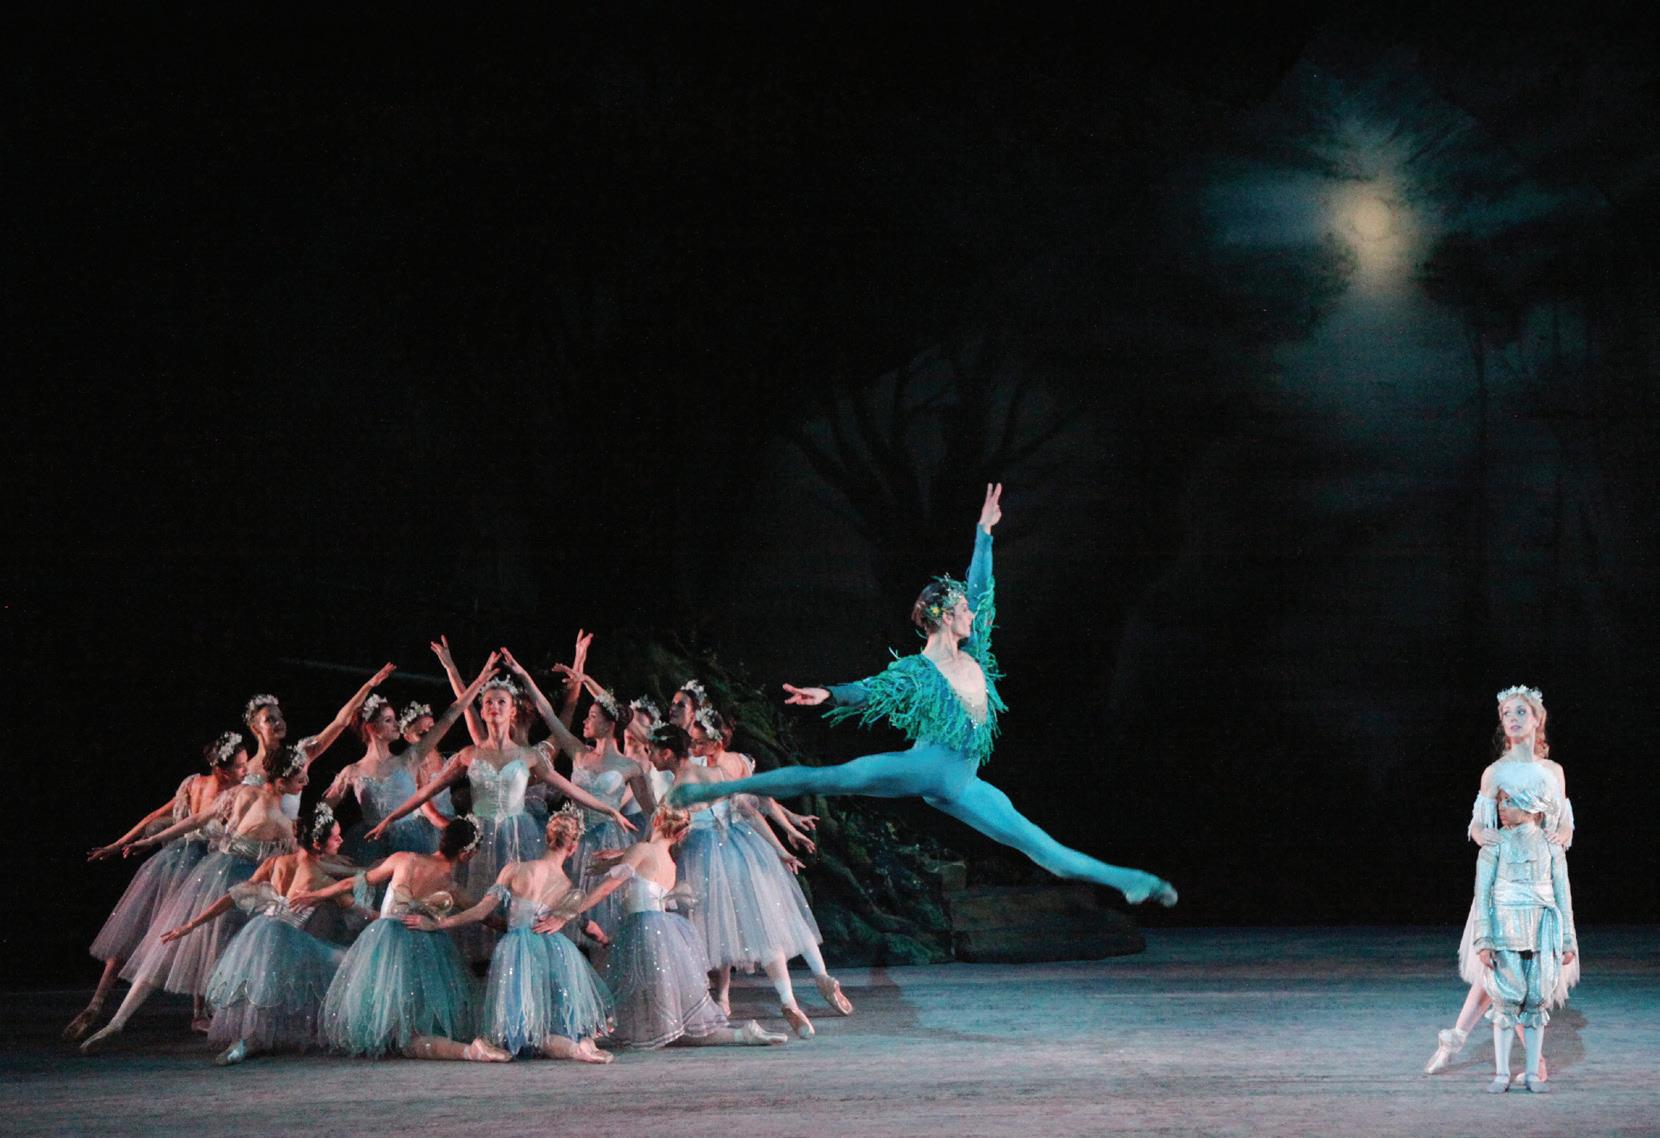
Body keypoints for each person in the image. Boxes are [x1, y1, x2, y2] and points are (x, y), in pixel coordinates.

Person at [669, 484, 1177, 907]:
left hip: (964, 783)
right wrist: (828, 693)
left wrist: (984, 535)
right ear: (945, 617)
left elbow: (981, 589)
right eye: (963, 610)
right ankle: (707, 791)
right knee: (831, 777)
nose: (972, 614)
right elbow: (873, 689)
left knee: (1042, 847)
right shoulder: (918, 671)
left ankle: (1130, 881)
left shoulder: (976, 650)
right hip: (924, 768)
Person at [364, 648, 636, 961]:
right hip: (480, 836)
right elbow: (426, 791)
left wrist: (609, 809)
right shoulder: (470, 754)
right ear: (482, 711)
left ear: (512, 711)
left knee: (519, 900)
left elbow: (569, 788)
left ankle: (520, 956)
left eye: (501, 702)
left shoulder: (529, 756)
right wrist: (391, 817)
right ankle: (481, 962)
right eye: (489, 702)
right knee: (479, 898)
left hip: (518, 834)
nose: (494, 706)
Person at [81, 744, 309, 1051]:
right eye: (300, 779)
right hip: (239, 883)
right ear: (280, 782)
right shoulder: (280, 821)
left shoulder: (241, 793)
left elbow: (195, 820)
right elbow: (300, 860)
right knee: (249, 950)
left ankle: (118, 1020)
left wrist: (151, 840)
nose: (305, 783)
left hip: (211, 872)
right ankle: (242, 1028)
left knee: (172, 944)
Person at [534, 804, 787, 1050]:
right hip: (664, 930)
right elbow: (643, 870)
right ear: (680, 834)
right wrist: (616, 860)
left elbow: (607, 887)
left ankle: (576, 1038)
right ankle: (742, 1035)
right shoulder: (670, 863)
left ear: (655, 821)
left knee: (639, 1005)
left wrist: (565, 914)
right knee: (668, 1019)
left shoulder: (642, 849)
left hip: (643, 930)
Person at [1426, 685, 1578, 1092]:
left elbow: (1562, 821)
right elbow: (1480, 824)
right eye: (1507, 713)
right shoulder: (1495, 773)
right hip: (1505, 888)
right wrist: (1483, 834)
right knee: (1496, 972)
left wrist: (1562, 834)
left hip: (1539, 883)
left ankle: (1459, 1040)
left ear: (1537, 719)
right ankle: (1520, 1059)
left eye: (1521, 712)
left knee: (1516, 978)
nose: (1513, 719)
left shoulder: (1553, 772)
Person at [67, 732, 249, 1041]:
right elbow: (177, 821)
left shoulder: (195, 784)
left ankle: (98, 1002)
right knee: (193, 935)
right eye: (240, 766)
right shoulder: (228, 794)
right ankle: (197, 1013)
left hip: (171, 859)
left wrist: (118, 844)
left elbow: (156, 816)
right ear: (222, 769)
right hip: (198, 867)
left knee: (139, 929)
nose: (245, 770)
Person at [157, 804, 370, 1064]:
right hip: (286, 938)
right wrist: (388, 919)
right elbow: (360, 911)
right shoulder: (321, 879)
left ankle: (245, 1041)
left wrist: (191, 924)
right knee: (342, 968)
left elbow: (233, 897)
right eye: (336, 837)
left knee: (258, 987)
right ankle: (251, 1040)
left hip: (260, 931)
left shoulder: (276, 862)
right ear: (317, 843)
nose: (341, 841)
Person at [404, 806, 614, 1063]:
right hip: (553, 950)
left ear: (547, 838)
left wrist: (438, 924)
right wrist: (604, 939)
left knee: (522, 1027)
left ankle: (572, 1048)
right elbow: (583, 922)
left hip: (518, 949)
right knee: (545, 1021)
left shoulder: (515, 869)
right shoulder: (566, 885)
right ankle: (575, 1047)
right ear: (573, 847)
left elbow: (481, 911)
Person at [298, 816, 509, 1062]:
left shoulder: (404, 859)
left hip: (386, 940)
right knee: (416, 1018)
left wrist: (317, 895)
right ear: (466, 854)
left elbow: (355, 881)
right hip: (424, 945)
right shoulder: (451, 887)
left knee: (393, 1010)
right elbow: (484, 916)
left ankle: (453, 1048)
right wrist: (513, 927)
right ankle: (460, 1049)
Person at [241, 664, 397, 819]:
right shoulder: (244, 769)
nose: (278, 722)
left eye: (280, 717)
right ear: (255, 728)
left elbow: (340, 722)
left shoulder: (299, 756)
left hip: (289, 833)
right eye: (270, 719)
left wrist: (368, 686)